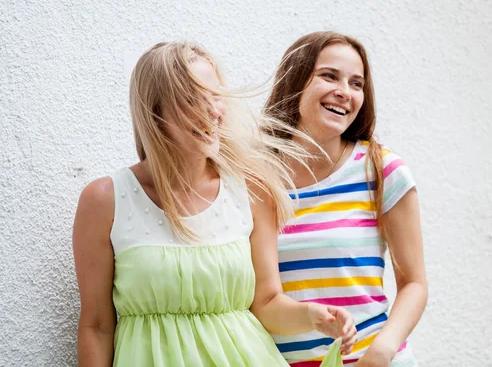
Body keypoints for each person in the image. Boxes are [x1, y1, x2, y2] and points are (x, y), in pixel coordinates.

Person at [72, 41, 357, 366]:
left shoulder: (252, 190)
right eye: (194, 98)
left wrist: (313, 316)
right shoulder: (104, 201)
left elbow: (266, 303)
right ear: (156, 112)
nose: (214, 111)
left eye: (216, 96)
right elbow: (97, 327)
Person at [263, 32, 428, 366]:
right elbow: (262, 300)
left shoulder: (381, 170)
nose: (344, 92)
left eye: (356, 83)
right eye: (329, 76)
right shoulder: (259, 179)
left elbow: (414, 283)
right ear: (295, 80)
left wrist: (382, 351)